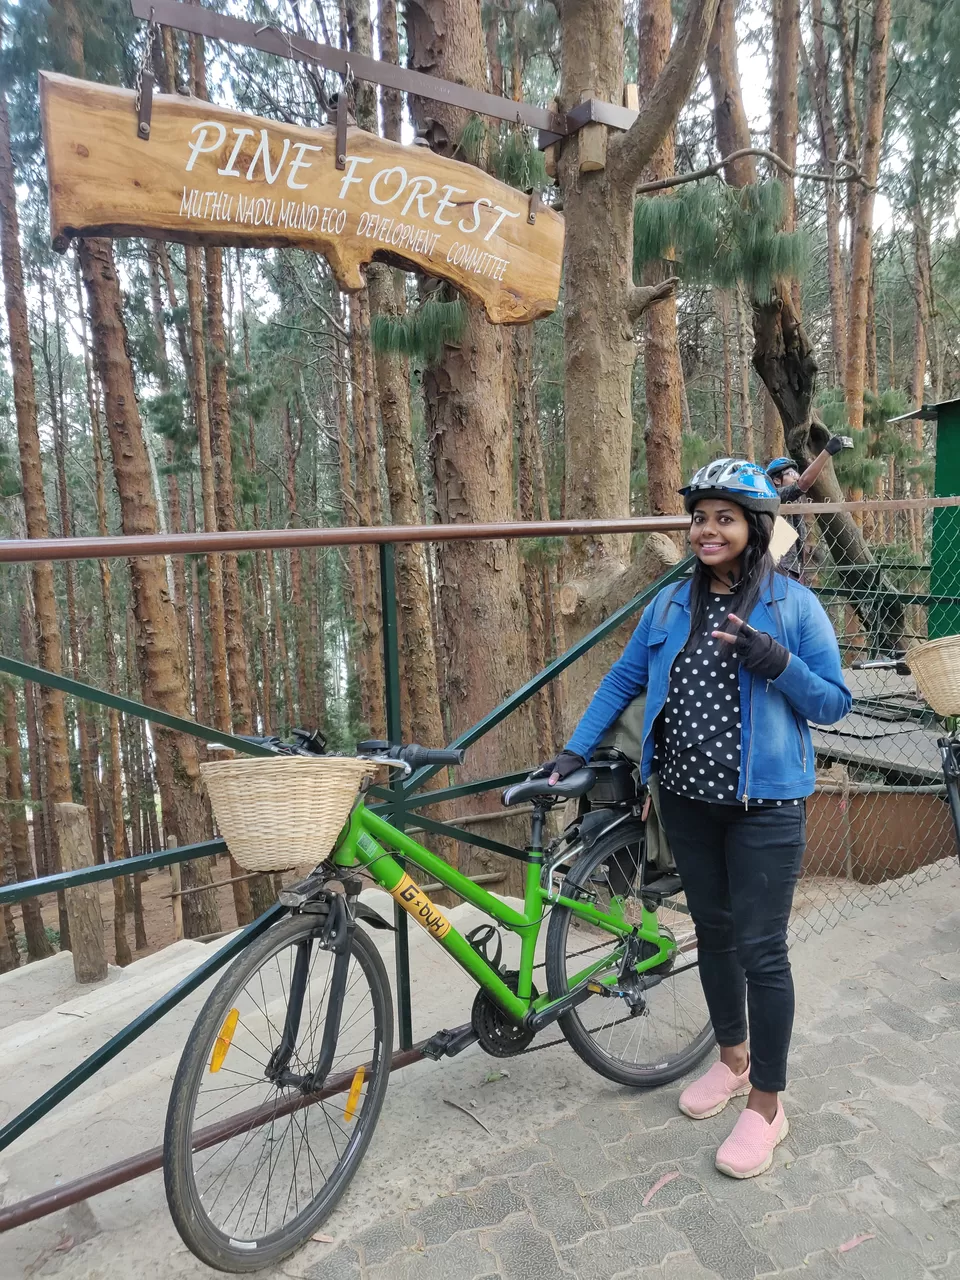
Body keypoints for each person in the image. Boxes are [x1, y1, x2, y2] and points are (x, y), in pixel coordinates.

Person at [543, 458, 851, 1180]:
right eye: (700, 517)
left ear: (756, 527)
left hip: (764, 807)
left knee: (762, 951)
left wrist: (775, 661)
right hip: (684, 799)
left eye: (725, 518)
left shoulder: (793, 606)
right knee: (712, 934)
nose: (707, 530)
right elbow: (624, 678)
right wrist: (574, 749)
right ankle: (733, 1062)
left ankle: (768, 1106)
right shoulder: (670, 606)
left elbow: (835, 703)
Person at [766, 436, 853, 579]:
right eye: (791, 474)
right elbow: (803, 483)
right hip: (777, 570)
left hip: (792, 569)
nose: (797, 477)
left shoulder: (793, 502)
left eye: (797, 473)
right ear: (776, 480)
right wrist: (827, 452)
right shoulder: (774, 496)